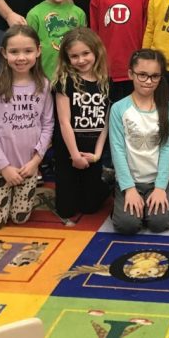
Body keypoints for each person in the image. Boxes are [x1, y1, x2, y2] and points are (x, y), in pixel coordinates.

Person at [0, 25, 54, 230]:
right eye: (14, 52)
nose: (21, 58)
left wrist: (36, 161)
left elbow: (48, 125)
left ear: (38, 51)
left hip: (28, 167)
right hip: (1, 167)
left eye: (28, 51)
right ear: (4, 53)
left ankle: (9, 196)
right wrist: (4, 167)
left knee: (20, 218)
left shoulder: (44, 86)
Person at [110, 49, 169, 234]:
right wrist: (129, 188)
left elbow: (167, 148)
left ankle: (163, 199)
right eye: (142, 75)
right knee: (127, 225)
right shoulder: (118, 108)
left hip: (157, 180)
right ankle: (124, 201)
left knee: (159, 223)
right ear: (131, 74)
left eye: (154, 76)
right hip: (130, 180)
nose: (148, 81)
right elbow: (117, 150)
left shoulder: (168, 108)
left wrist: (161, 187)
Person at [52, 27, 111, 221]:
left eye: (86, 53)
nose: (81, 60)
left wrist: (98, 155)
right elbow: (64, 122)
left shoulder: (106, 82)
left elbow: (105, 124)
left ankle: (104, 182)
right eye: (74, 56)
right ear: (67, 58)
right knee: (66, 210)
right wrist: (75, 156)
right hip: (68, 151)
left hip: (92, 153)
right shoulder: (64, 81)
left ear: (96, 52)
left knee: (90, 208)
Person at [89, 0, 150, 102]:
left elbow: (147, 31)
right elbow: (94, 32)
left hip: (135, 67)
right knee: (109, 111)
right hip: (107, 67)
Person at [26, 0, 86, 79]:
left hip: (73, 77)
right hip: (43, 78)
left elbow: (83, 45)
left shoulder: (79, 13)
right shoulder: (34, 14)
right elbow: (28, 47)